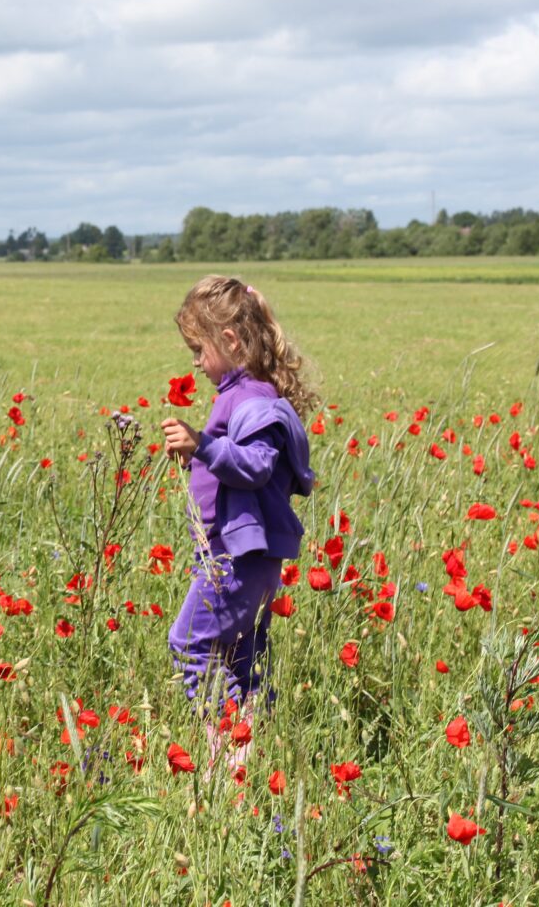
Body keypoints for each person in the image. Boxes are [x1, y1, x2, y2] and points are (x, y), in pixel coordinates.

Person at [159, 277, 317, 758]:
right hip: (241, 556)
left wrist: (201, 445)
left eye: (197, 349)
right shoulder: (245, 392)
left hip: (236, 557)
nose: (195, 362)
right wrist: (201, 458)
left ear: (228, 340)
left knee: (190, 644)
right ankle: (251, 758)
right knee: (241, 659)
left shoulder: (250, 399)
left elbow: (256, 465)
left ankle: (227, 753)